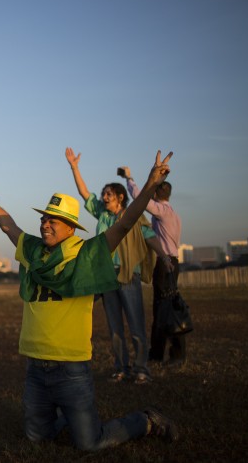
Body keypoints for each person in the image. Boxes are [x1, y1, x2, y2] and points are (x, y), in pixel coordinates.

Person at [0, 151, 179, 451]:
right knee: (36, 437)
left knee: (89, 443)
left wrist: (148, 185)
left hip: (71, 368)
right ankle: (66, 414)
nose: (45, 224)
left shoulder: (87, 254)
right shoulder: (32, 250)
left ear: (71, 227)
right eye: (44, 218)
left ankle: (145, 419)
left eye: (54, 220)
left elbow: (123, 226)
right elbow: (7, 224)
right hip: (35, 366)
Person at [66, 148, 171, 384]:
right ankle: (121, 367)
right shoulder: (103, 215)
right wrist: (74, 167)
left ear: (120, 197)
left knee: (135, 324)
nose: (104, 197)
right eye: (104, 194)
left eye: (109, 194)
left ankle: (141, 368)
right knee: (114, 327)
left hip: (127, 275)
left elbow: (149, 236)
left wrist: (163, 256)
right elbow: (84, 194)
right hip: (105, 276)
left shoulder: (132, 215)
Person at [119, 167, 185, 365]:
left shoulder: (162, 211)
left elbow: (140, 198)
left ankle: (165, 354)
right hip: (172, 262)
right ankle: (163, 353)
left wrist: (129, 177)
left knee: (165, 310)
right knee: (167, 309)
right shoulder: (173, 213)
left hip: (166, 264)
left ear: (156, 194)